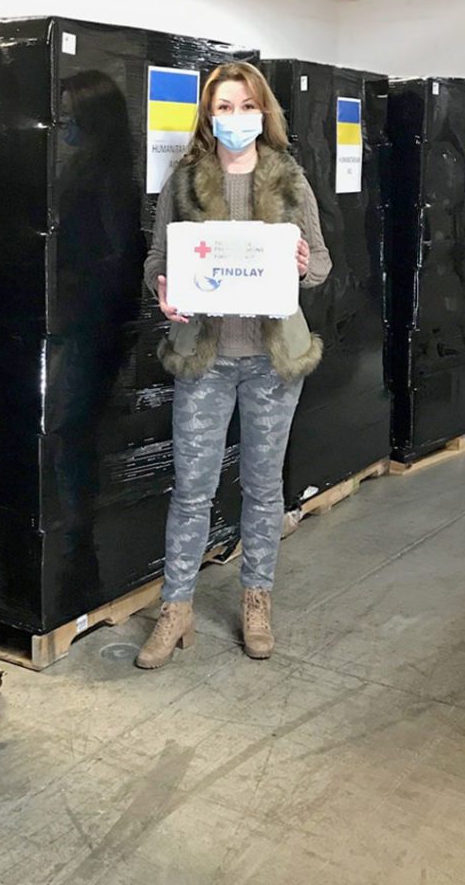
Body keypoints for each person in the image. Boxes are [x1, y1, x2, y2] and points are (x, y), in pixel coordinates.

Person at [137, 61, 332, 670]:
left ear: (263, 111)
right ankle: (176, 609)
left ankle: (256, 601)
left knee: (263, 488)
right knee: (192, 491)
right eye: (223, 107)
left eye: (246, 106)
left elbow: (323, 264)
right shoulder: (186, 179)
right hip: (206, 356)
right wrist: (163, 292)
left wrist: (302, 266)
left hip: (273, 362)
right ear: (208, 116)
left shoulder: (290, 180)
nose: (236, 118)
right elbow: (156, 261)